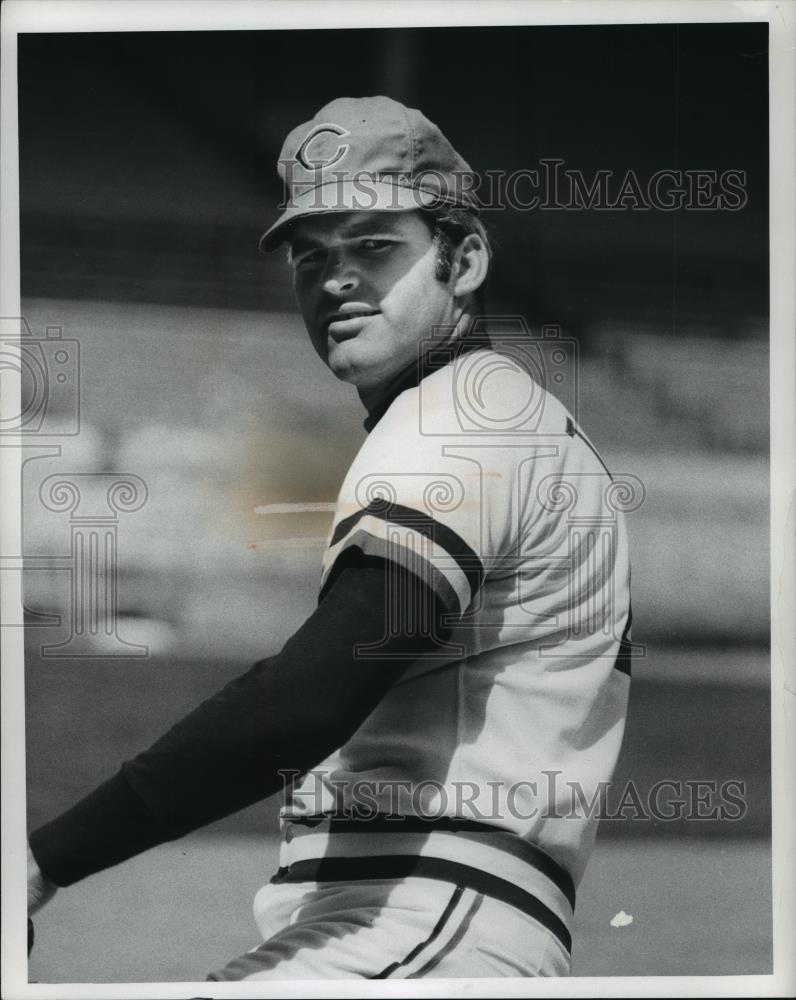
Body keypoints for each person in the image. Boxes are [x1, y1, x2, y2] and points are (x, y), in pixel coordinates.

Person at [27, 96, 632, 980]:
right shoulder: (491, 417)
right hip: (420, 916)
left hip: (422, 917)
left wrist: (45, 860)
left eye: (375, 245)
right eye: (314, 256)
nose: (335, 278)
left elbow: (315, 694)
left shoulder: (459, 423)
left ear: (463, 259)